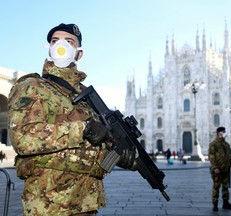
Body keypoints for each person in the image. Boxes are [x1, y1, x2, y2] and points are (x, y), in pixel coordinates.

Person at [8, 23, 137, 216]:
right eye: (55, 41)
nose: (61, 46)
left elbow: (93, 144)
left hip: (86, 202)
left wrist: (118, 154)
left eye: (69, 41)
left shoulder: (87, 96)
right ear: (49, 48)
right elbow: (23, 138)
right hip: (49, 204)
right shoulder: (33, 86)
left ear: (79, 53)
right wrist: (83, 128)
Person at [208, 127, 231, 212]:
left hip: (226, 169)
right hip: (218, 169)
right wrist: (215, 167)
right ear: (218, 133)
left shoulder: (226, 144)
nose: (223, 134)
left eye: (224, 132)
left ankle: (226, 203)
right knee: (216, 187)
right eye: (222, 132)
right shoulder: (213, 144)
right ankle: (215, 204)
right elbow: (211, 156)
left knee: (226, 186)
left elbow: (230, 155)